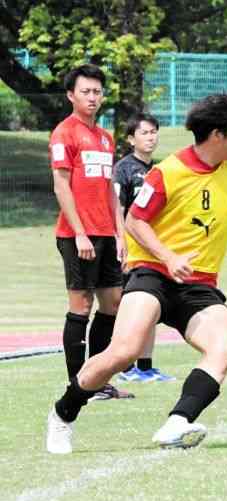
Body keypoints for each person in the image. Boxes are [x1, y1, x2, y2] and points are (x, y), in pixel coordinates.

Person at [45, 94, 227, 454]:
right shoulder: (169, 171)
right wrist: (167, 257)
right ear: (218, 135)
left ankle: (177, 422)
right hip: (152, 273)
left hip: (198, 284)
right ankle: (63, 413)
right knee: (123, 351)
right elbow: (135, 220)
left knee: (225, 345)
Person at [49, 63, 133, 401]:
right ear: (71, 95)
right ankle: (77, 383)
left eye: (97, 91)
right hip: (76, 235)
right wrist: (80, 233)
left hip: (105, 233)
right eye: (85, 91)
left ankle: (96, 379)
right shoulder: (64, 133)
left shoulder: (105, 137)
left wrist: (120, 233)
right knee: (81, 305)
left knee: (112, 304)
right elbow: (61, 186)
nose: (92, 97)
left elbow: (110, 191)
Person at [113, 112, 176, 383]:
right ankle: (125, 367)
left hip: (155, 251)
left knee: (151, 308)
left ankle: (145, 366)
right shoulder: (124, 168)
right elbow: (118, 208)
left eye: (153, 132)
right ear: (131, 139)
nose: (150, 137)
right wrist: (121, 241)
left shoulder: (160, 170)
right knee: (129, 309)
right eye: (144, 133)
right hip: (132, 250)